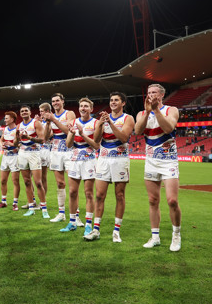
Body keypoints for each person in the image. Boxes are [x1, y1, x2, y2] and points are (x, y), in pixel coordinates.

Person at [134, 84, 182, 251]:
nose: (151, 95)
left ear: (162, 95)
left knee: (172, 200)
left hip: (168, 161)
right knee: (153, 200)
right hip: (151, 161)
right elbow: (138, 131)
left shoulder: (171, 110)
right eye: (148, 93)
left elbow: (169, 128)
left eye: (154, 92)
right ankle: (155, 237)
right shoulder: (142, 113)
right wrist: (148, 112)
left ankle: (176, 235)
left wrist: (156, 111)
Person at [85, 92, 135, 242]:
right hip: (103, 159)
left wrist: (110, 123)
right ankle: (96, 230)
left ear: (123, 103)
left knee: (119, 195)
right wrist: (101, 123)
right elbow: (96, 139)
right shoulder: (102, 119)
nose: (113, 102)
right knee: (100, 195)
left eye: (116, 100)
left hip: (120, 159)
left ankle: (116, 231)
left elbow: (124, 138)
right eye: (111, 100)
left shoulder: (128, 118)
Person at [60, 98, 99, 235]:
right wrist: (71, 132)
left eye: (86, 106)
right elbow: (68, 144)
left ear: (91, 109)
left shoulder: (96, 123)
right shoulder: (73, 122)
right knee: (72, 192)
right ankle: (72, 222)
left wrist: (82, 134)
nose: (83, 108)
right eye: (81, 106)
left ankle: (88, 224)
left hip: (89, 160)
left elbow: (96, 145)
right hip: (74, 159)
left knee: (88, 193)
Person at [43, 93, 80, 225]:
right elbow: (45, 138)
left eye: (57, 100)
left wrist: (53, 119)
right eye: (53, 101)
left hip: (69, 151)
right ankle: (61, 213)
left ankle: (76, 215)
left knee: (73, 186)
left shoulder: (69, 114)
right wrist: (48, 123)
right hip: (56, 151)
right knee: (60, 184)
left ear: (63, 101)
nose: (55, 103)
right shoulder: (50, 117)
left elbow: (68, 131)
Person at [16, 106, 50, 219]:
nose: (24, 112)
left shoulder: (36, 123)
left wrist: (29, 137)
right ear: (20, 114)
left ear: (30, 112)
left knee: (38, 182)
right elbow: (16, 142)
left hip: (34, 153)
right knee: (26, 182)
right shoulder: (19, 126)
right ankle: (31, 208)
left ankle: (44, 209)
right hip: (22, 153)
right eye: (22, 111)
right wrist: (17, 138)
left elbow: (42, 139)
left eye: (26, 110)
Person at [0, 111, 20, 210]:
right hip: (5, 157)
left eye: (6, 118)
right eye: (5, 118)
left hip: (14, 157)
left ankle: (15, 203)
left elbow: (20, 144)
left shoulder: (18, 129)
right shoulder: (5, 129)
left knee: (15, 181)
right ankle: (4, 201)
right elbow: (1, 140)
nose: (5, 120)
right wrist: (1, 145)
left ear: (12, 119)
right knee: (3, 180)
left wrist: (12, 145)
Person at [39, 103, 53, 203]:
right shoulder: (41, 122)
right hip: (36, 150)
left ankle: (42, 201)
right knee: (32, 177)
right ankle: (32, 200)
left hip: (45, 150)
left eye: (42, 111)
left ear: (47, 111)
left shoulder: (51, 122)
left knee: (43, 177)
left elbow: (44, 137)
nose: (40, 113)